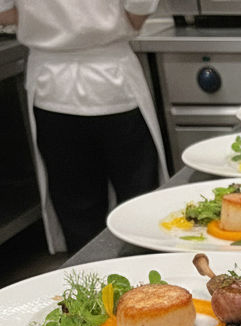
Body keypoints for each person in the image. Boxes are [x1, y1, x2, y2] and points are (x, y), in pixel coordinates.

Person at [0, 0, 167, 253]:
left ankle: (89, 284)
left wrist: (49, 23)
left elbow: (6, 15)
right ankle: (149, 286)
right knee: (137, 199)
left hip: (52, 89)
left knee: (76, 209)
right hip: (113, 84)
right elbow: (138, 11)